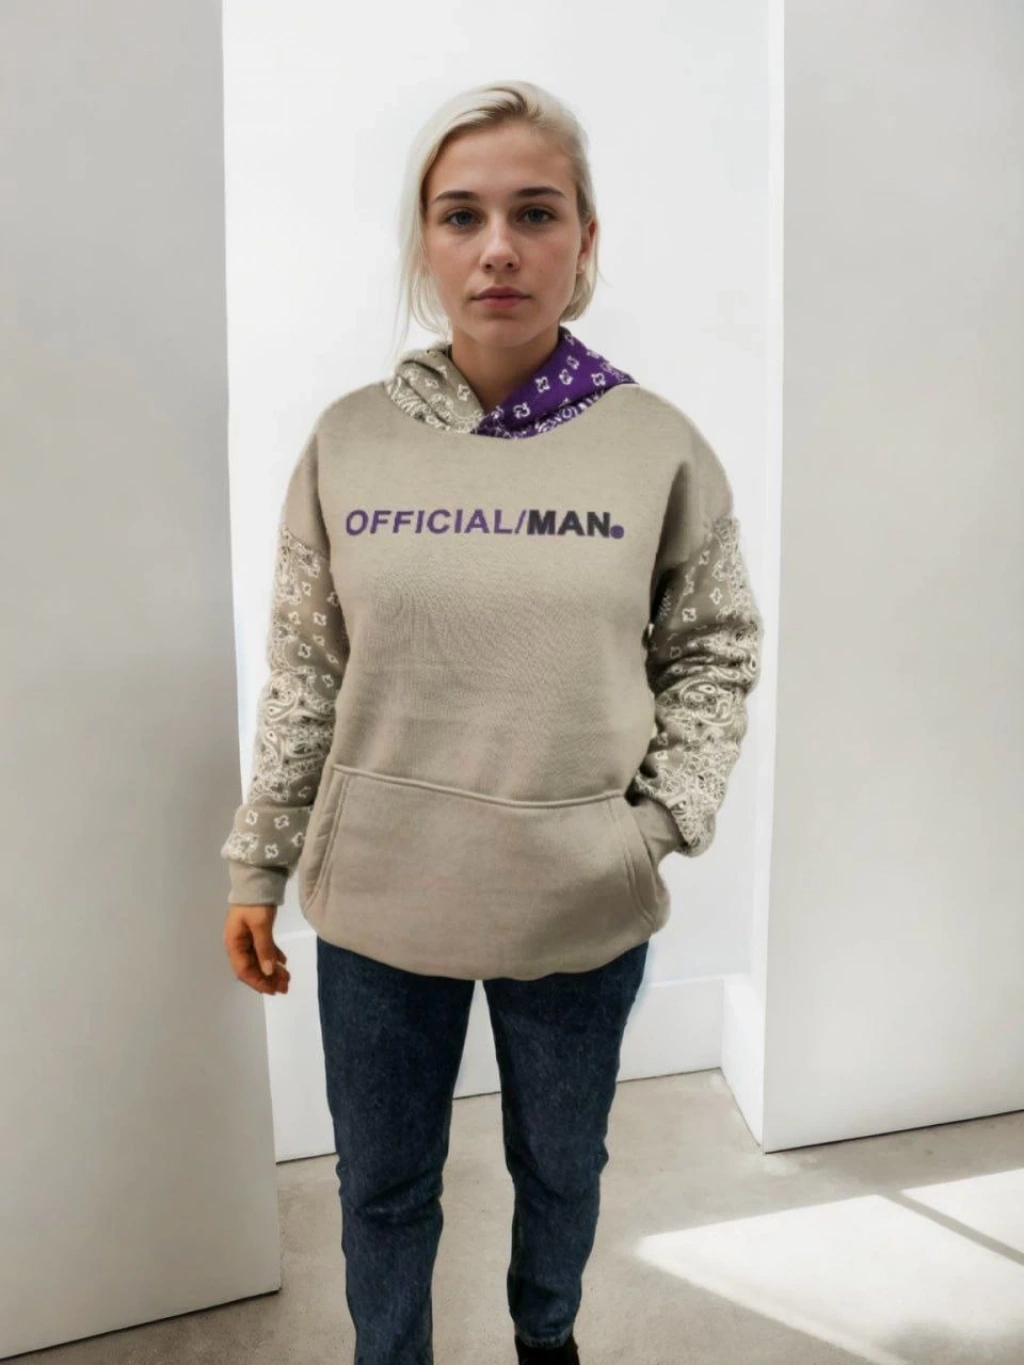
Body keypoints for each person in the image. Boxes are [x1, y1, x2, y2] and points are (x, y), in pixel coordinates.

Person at [220, 79, 763, 1365]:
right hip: (379, 900)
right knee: (382, 1189)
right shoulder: (348, 442)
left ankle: (545, 1340)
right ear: (424, 243)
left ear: (585, 239)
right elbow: (306, 671)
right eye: (461, 215)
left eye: (535, 212)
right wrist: (260, 861)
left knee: (561, 1170)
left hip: (577, 900)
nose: (499, 247)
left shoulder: (656, 446)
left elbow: (712, 651)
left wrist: (652, 827)